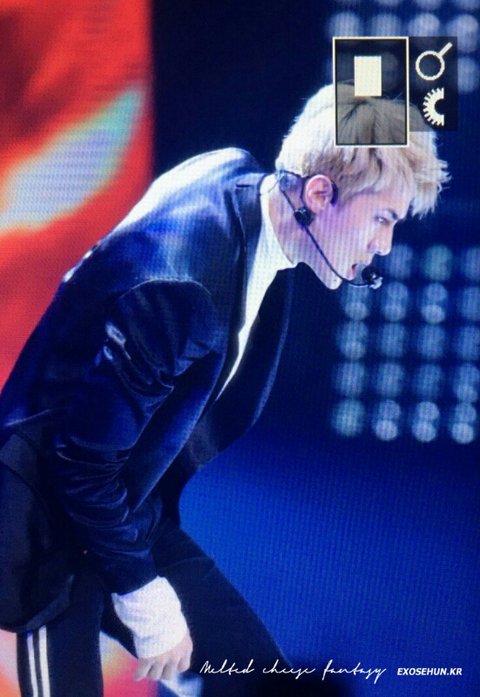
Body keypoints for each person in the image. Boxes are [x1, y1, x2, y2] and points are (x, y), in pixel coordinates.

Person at [0, 83, 448, 696]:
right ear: (320, 194)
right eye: (382, 219)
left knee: (263, 684)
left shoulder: (245, 185)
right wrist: (143, 598)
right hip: (45, 524)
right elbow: (78, 463)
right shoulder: (185, 286)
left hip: (123, 510)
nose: (384, 246)